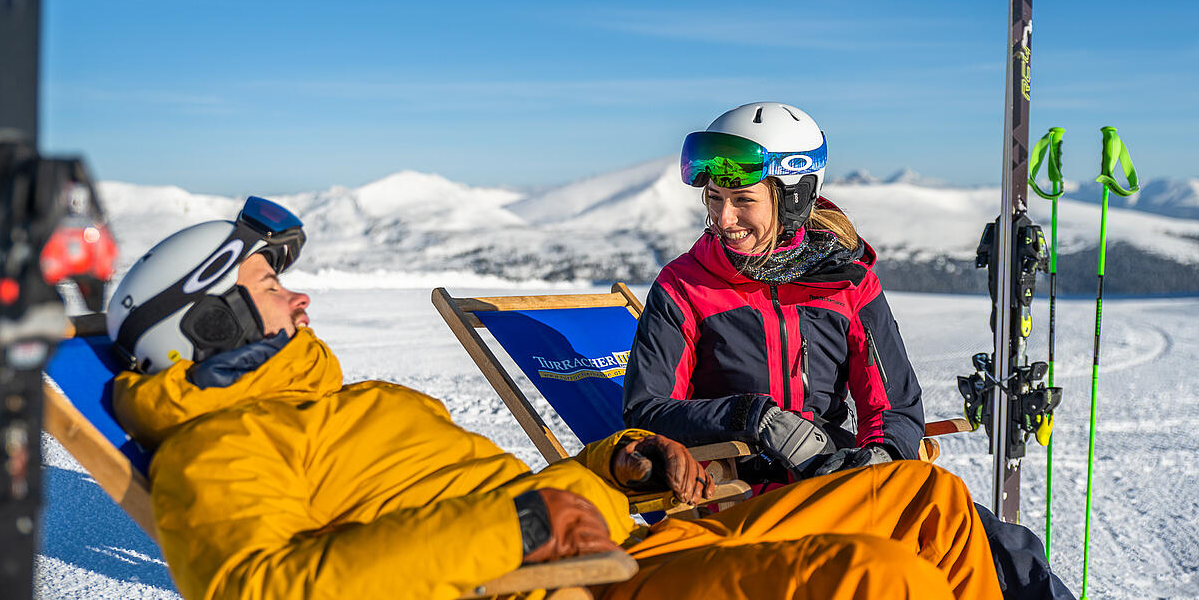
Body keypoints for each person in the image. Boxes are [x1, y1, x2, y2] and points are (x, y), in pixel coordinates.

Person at [106, 196, 1004, 600]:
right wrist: (525, 530)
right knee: (874, 579)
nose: (300, 297)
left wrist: (621, 464)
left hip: (630, 537)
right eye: (271, 287)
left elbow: (511, 497)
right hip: (574, 583)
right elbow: (258, 591)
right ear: (213, 327)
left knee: (922, 494)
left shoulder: (347, 403)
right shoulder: (214, 448)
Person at [622, 101, 1074, 600]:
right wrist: (755, 418)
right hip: (741, 491)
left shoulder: (845, 282)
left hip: (835, 479)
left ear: (793, 196)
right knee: (933, 524)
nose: (723, 218)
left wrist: (880, 455)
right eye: (714, 198)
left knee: (1013, 554)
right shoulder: (686, 286)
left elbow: (895, 404)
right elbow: (648, 410)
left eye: (742, 200)